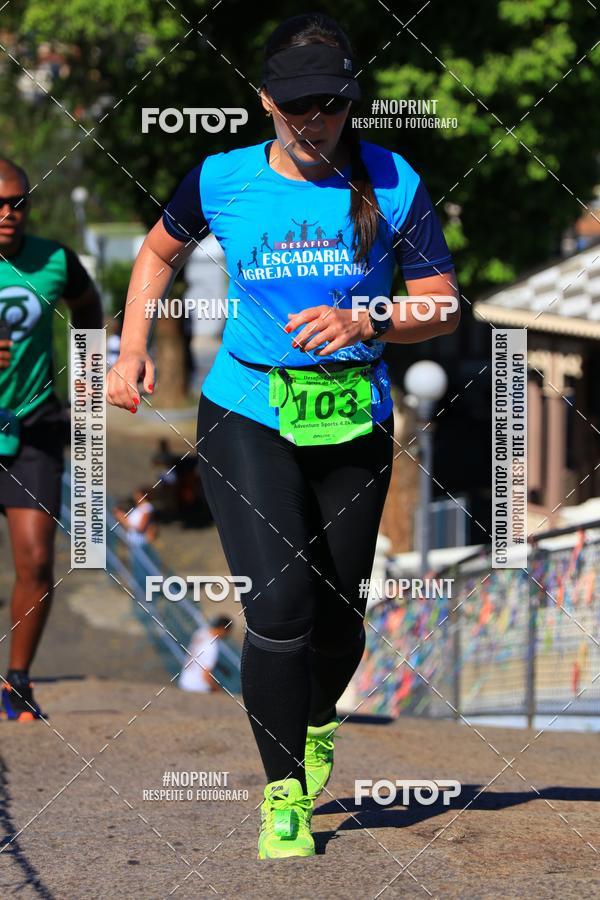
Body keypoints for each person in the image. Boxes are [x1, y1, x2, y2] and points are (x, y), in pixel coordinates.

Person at [106, 12, 459, 860]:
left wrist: (365, 317)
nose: (315, 123)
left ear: (350, 105)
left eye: (331, 108)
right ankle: (285, 796)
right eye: (297, 107)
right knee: (279, 607)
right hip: (247, 413)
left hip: (352, 418)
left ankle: (317, 715)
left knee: (340, 617)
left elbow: (442, 300)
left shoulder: (394, 179)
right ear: (264, 100)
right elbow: (156, 254)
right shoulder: (221, 178)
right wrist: (128, 350)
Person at [0, 157, 103, 721]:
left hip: (34, 427)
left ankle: (17, 681)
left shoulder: (55, 260)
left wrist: (88, 373)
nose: (9, 214)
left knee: (37, 561)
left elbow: (87, 308)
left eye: (18, 202)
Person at [178, 615, 232, 693]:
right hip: (197, 688)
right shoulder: (212, 646)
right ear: (223, 629)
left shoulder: (200, 632)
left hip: (184, 681)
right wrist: (219, 691)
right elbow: (206, 676)